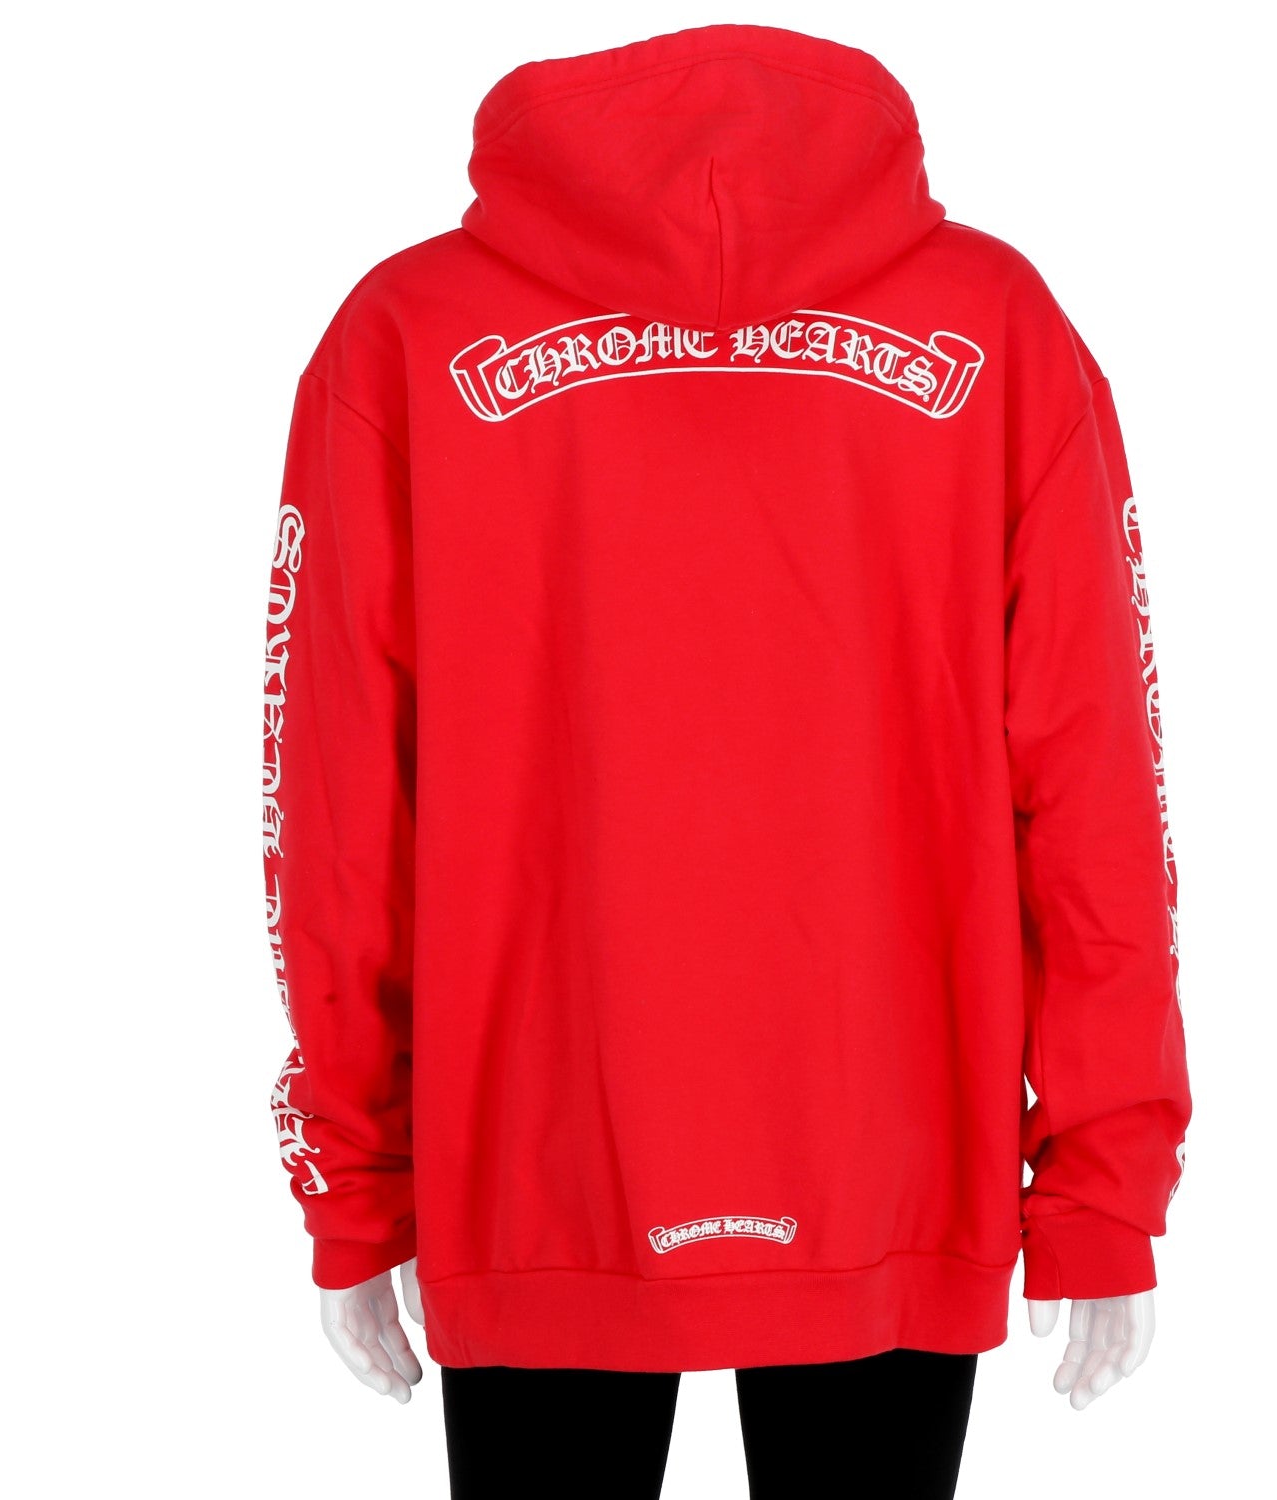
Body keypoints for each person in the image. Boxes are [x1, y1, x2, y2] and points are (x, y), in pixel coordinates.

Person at [261, 22, 1192, 1498]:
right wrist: (1103, 1187)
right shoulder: (987, 324)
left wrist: (356, 1184)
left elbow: (331, 805)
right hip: (889, 1156)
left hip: (534, 1162)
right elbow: (1095, 789)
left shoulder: (414, 330)